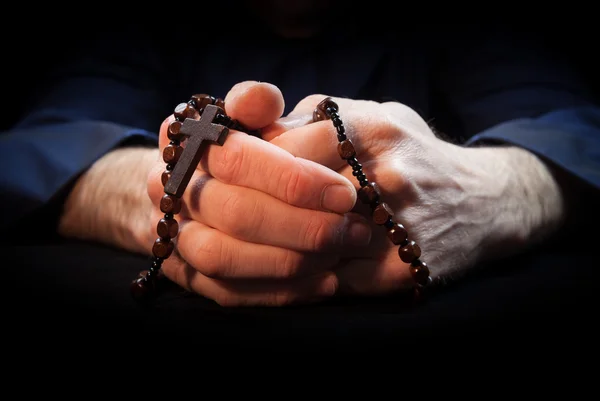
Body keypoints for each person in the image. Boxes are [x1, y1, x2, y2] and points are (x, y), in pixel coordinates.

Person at [1, 1, 598, 312]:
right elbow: (27, 150)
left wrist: (489, 190)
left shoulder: (467, 24)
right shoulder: (140, 26)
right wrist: (153, 192)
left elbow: (579, 129)